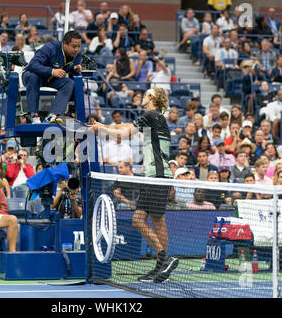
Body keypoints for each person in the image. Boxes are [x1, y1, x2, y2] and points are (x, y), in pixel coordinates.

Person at [90, 87, 179, 284]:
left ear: (152, 98)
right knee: (156, 219)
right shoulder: (154, 118)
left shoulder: (151, 114)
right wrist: (103, 126)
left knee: (139, 220)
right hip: (156, 176)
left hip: (157, 176)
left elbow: (127, 134)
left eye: (146, 94)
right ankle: (160, 267)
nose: (142, 96)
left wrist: (101, 130)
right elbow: (125, 127)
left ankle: (164, 258)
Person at [22, 30, 82, 121]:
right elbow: (32, 65)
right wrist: (52, 71)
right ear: (65, 43)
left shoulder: (77, 55)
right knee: (34, 77)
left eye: (79, 46)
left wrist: (74, 69)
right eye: (74, 46)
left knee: (69, 83)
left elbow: (69, 68)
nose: (77, 49)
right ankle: (33, 115)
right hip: (32, 76)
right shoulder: (49, 48)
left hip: (51, 80)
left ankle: (54, 115)